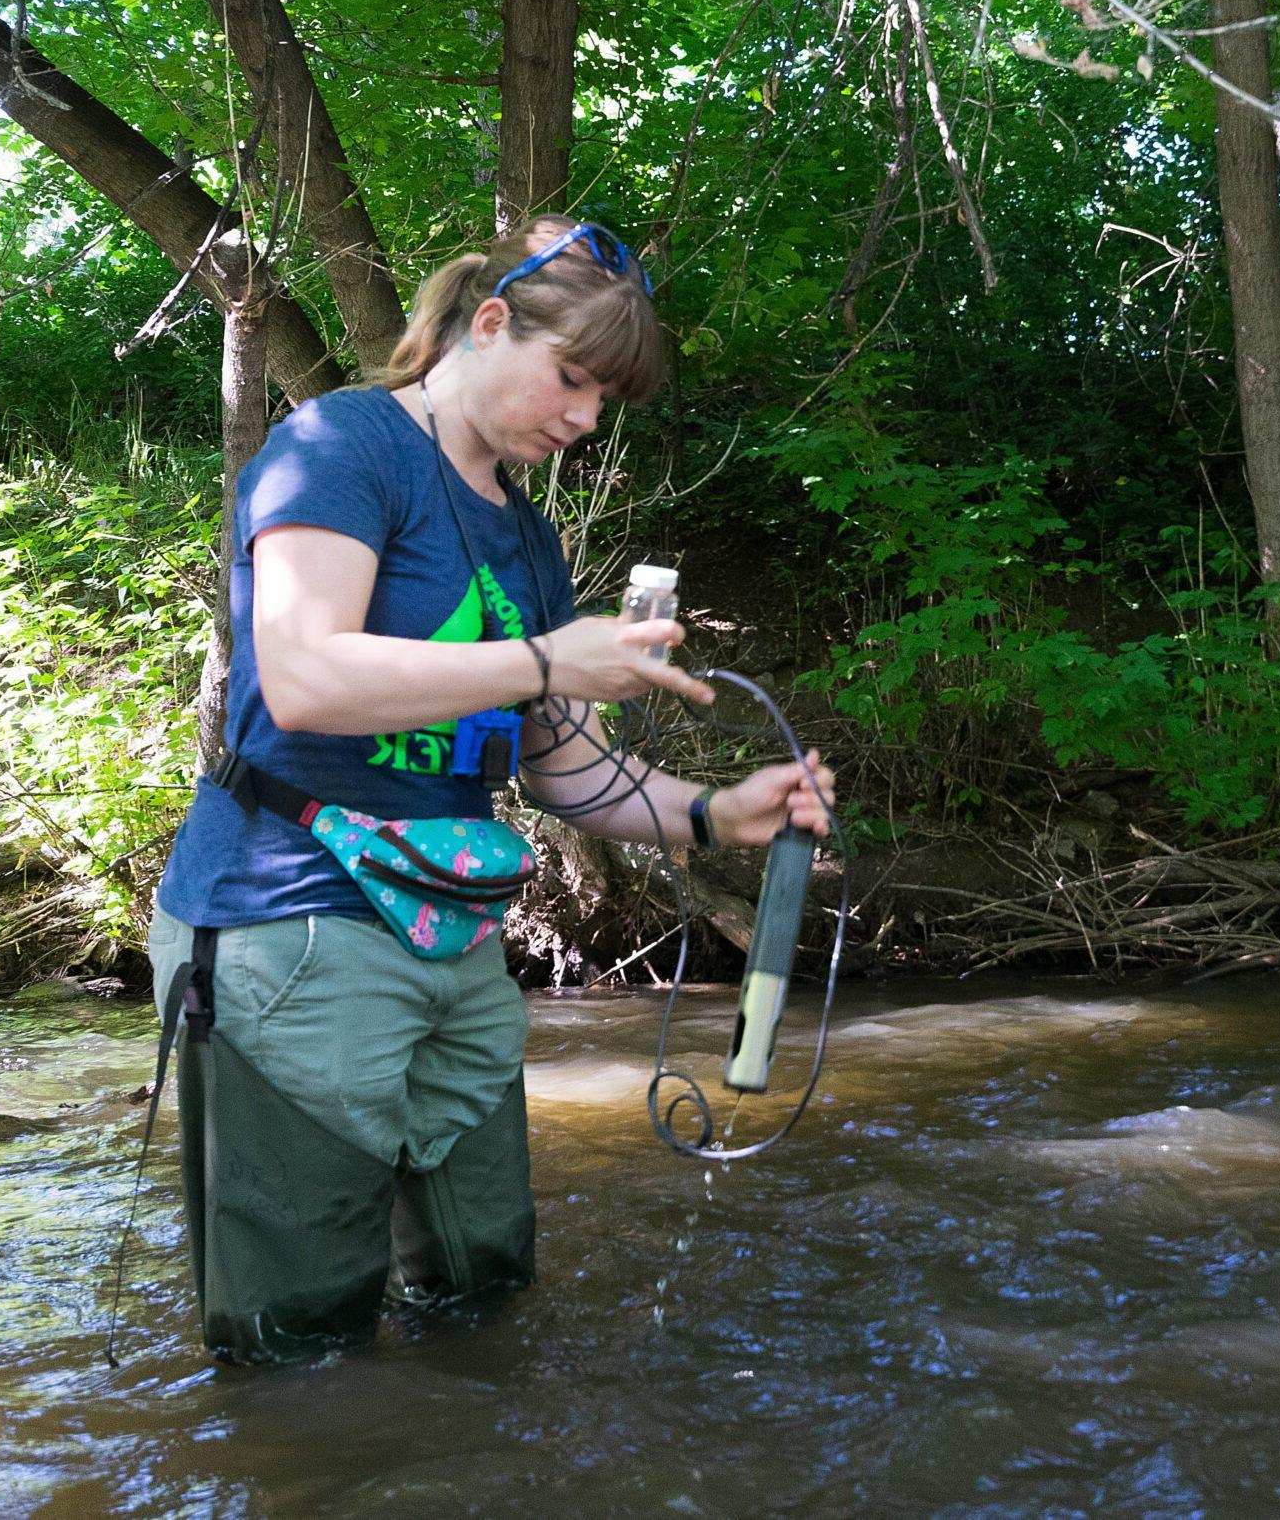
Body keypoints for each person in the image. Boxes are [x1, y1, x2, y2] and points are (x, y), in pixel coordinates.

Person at [148, 215, 836, 1363]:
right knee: (298, 1338)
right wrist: (543, 659)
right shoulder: (339, 444)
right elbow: (306, 674)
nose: (581, 418)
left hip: (452, 938)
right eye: (571, 379)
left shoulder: (530, 540)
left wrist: (718, 811)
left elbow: (564, 765)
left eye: (603, 402)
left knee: (483, 1286)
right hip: (288, 919)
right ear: (486, 323)